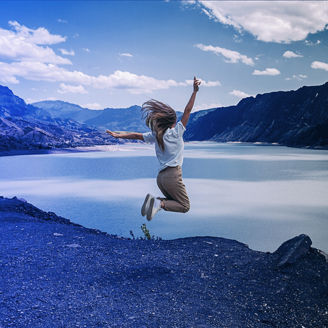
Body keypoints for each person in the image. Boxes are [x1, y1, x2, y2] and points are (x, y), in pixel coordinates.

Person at [106, 76, 201, 221]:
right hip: (173, 176)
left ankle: (155, 201)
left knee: (172, 200)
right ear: (172, 123)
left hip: (161, 178)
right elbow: (187, 111)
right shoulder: (176, 133)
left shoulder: (157, 135)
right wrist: (194, 91)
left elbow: (137, 136)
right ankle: (157, 202)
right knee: (184, 206)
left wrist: (118, 135)